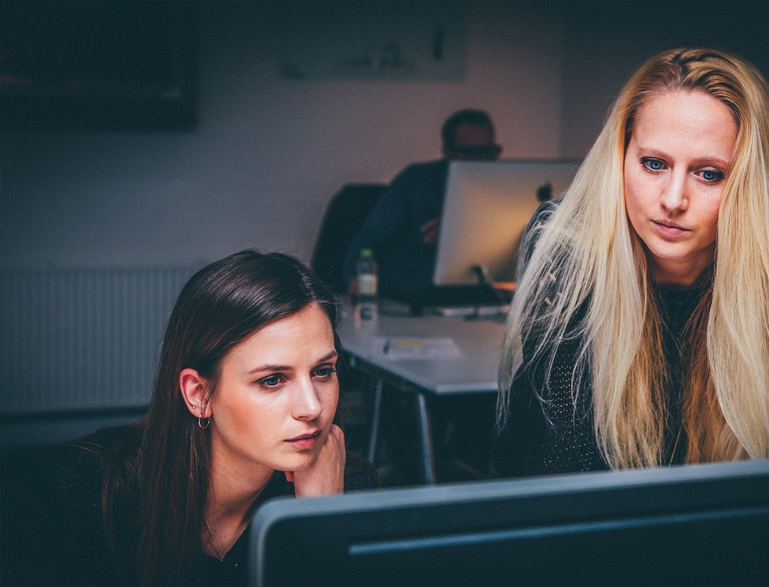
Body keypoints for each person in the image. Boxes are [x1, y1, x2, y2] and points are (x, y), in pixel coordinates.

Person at [493, 48, 769, 477]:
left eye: (709, 174)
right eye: (653, 164)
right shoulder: (568, 246)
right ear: (621, 156)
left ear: (751, 184)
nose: (673, 200)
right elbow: (565, 463)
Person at [4, 251, 377, 587]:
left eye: (323, 371)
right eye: (272, 380)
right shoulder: (77, 498)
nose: (312, 407)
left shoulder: (342, 491)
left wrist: (318, 523)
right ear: (199, 395)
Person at [342, 108, 502, 296]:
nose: (483, 162)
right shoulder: (416, 182)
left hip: (478, 296)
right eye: (472, 153)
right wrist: (358, 280)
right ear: (447, 153)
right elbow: (370, 238)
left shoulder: (500, 191)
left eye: (489, 152)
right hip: (412, 295)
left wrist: (465, 233)